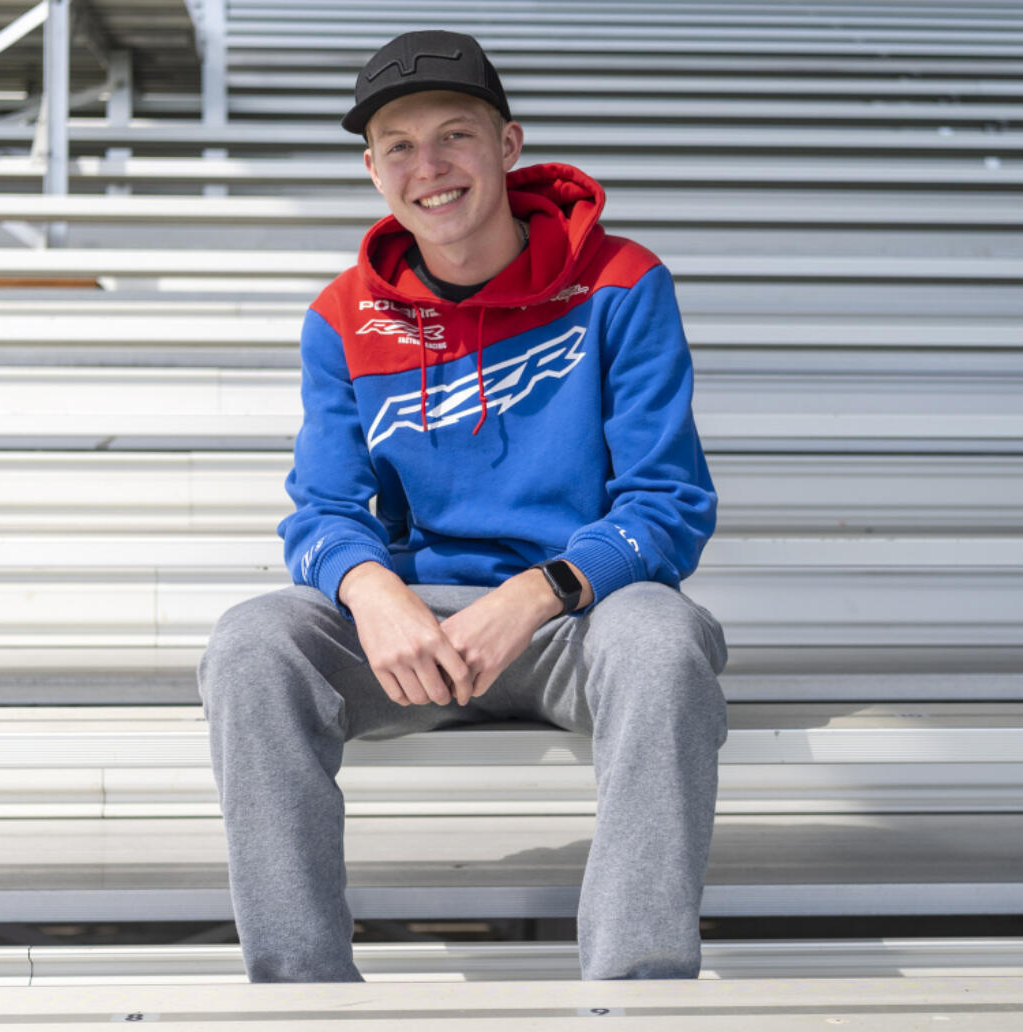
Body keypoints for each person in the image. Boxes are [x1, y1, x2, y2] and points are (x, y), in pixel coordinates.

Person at [197, 29, 728, 983]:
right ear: (372, 169)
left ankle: (637, 991)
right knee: (253, 641)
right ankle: (301, 990)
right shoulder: (343, 315)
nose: (428, 167)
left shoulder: (619, 283)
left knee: (663, 637)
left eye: (455, 136)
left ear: (509, 145)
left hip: (577, 622)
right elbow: (322, 509)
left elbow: (671, 502)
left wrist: (535, 594)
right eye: (399, 146)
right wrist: (374, 594)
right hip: (414, 640)